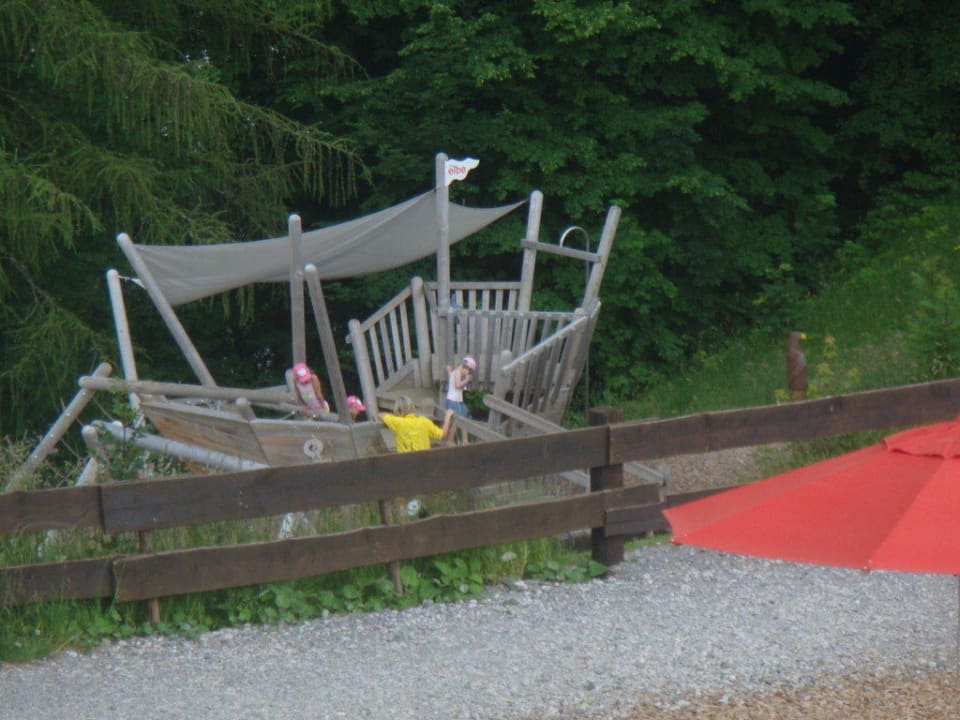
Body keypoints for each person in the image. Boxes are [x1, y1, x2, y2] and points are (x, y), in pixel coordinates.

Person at [380, 395, 453, 453]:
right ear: (412, 407)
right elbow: (442, 434)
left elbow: (381, 415)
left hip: (404, 464)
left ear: (397, 410)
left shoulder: (396, 422)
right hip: (424, 462)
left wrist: (395, 416)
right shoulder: (424, 421)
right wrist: (447, 417)